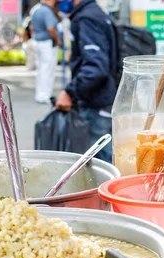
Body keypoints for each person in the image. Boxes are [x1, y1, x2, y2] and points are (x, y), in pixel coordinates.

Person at [54, 0, 115, 163]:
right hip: (101, 101)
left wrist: (69, 92)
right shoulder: (94, 13)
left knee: (101, 164)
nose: (58, 2)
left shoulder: (87, 18)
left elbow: (96, 68)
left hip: (97, 104)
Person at [31, 0, 61, 104]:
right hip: (47, 43)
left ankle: (41, 94)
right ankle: (44, 95)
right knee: (47, 69)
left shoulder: (35, 9)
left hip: (38, 42)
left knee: (42, 69)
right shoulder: (46, 11)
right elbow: (51, 28)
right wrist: (57, 40)